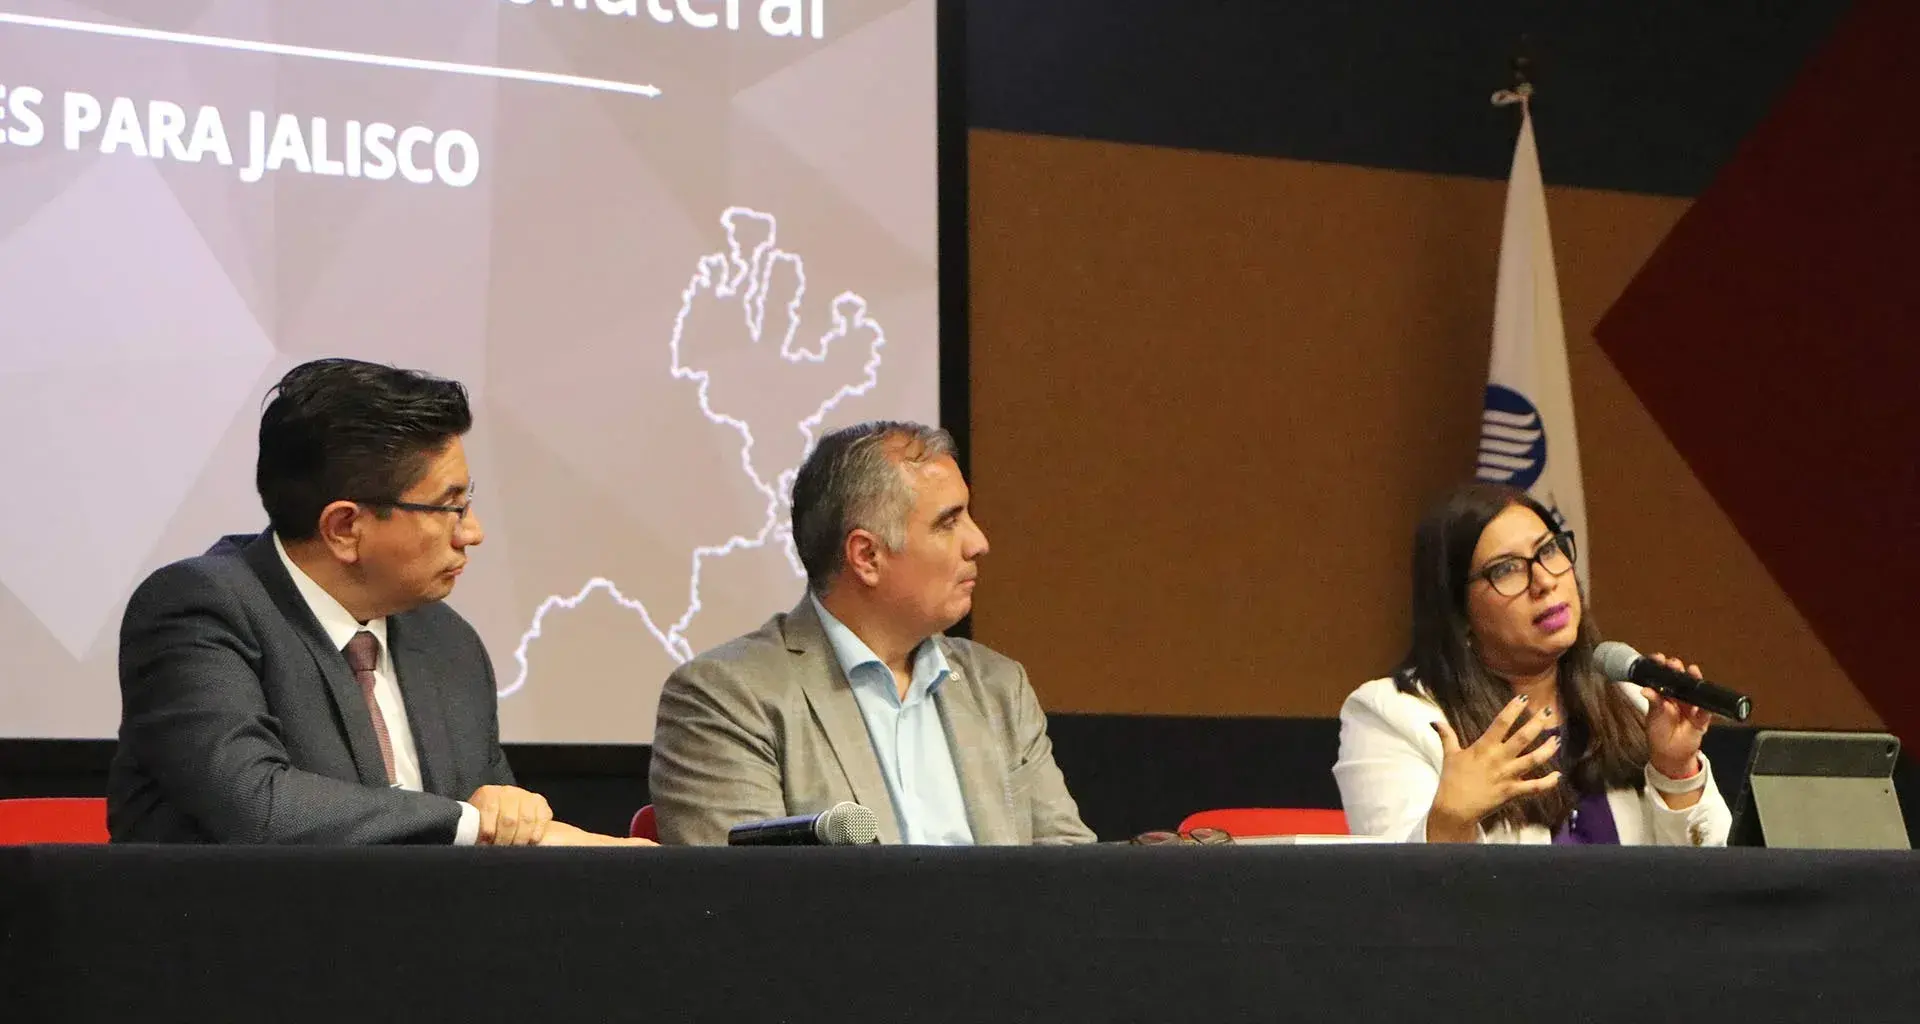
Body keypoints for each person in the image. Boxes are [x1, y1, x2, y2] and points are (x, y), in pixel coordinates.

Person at [111, 358, 645, 846]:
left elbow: (498, 831)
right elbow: (257, 805)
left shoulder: (448, 642)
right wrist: (469, 822)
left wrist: (526, 825)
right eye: (450, 508)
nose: (472, 533)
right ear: (345, 527)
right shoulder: (200, 609)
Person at [649, 421, 1095, 846]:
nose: (979, 542)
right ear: (867, 557)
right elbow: (747, 892)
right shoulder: (728, 698)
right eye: (948, 522)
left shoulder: (999, 689)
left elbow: (1073, 874)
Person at [1334, 482, 1732, 845]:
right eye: (1506, 569)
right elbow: (1391, 886)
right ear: (1458, 612)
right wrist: (1448, 822)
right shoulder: (1391, 717)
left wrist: (1675, 772)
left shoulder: (1631, 696)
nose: (1544, 581)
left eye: (1549, 550)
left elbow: (1705, 883)